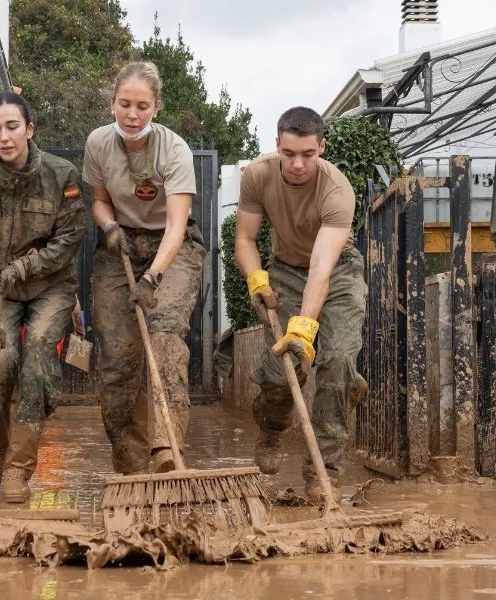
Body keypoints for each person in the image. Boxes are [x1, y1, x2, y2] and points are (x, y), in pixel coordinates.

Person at [234, 106, 367, 504]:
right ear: (277, 145)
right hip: (286, 269)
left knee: (338, 361)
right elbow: (244, 240)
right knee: (281, 371)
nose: (297, 164)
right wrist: (257, 279)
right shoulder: (257, 176)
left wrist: (304, 329)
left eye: (308, 154)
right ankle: (272, 428)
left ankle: (324, 470)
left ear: (321, 148)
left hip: (337, 271)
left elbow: (322, 270)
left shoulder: (337, 191)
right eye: (289, 153)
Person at [0, 91, 86, 503]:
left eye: (12, 127)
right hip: (0, 290)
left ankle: (19, 466)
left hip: (52, 286)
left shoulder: (61, 175)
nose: (4, 137)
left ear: (29, 129)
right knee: (2, 357)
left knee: (36, 360)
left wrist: (26, 266)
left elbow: (70, 238)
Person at [82, 61, 206, 475]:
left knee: (165, 334)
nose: (132, 115)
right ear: (112, 102)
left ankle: (167, 450)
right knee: (118, 354)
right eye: (124, 104)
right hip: (119, 245)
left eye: (142, 106)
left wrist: (153, 275)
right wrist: (110, 225)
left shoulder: (174, 150)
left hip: (172, 247)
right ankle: (130, 458)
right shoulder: (98, 143)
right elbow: (99, 199)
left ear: (157, 108)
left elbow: (175, 224)